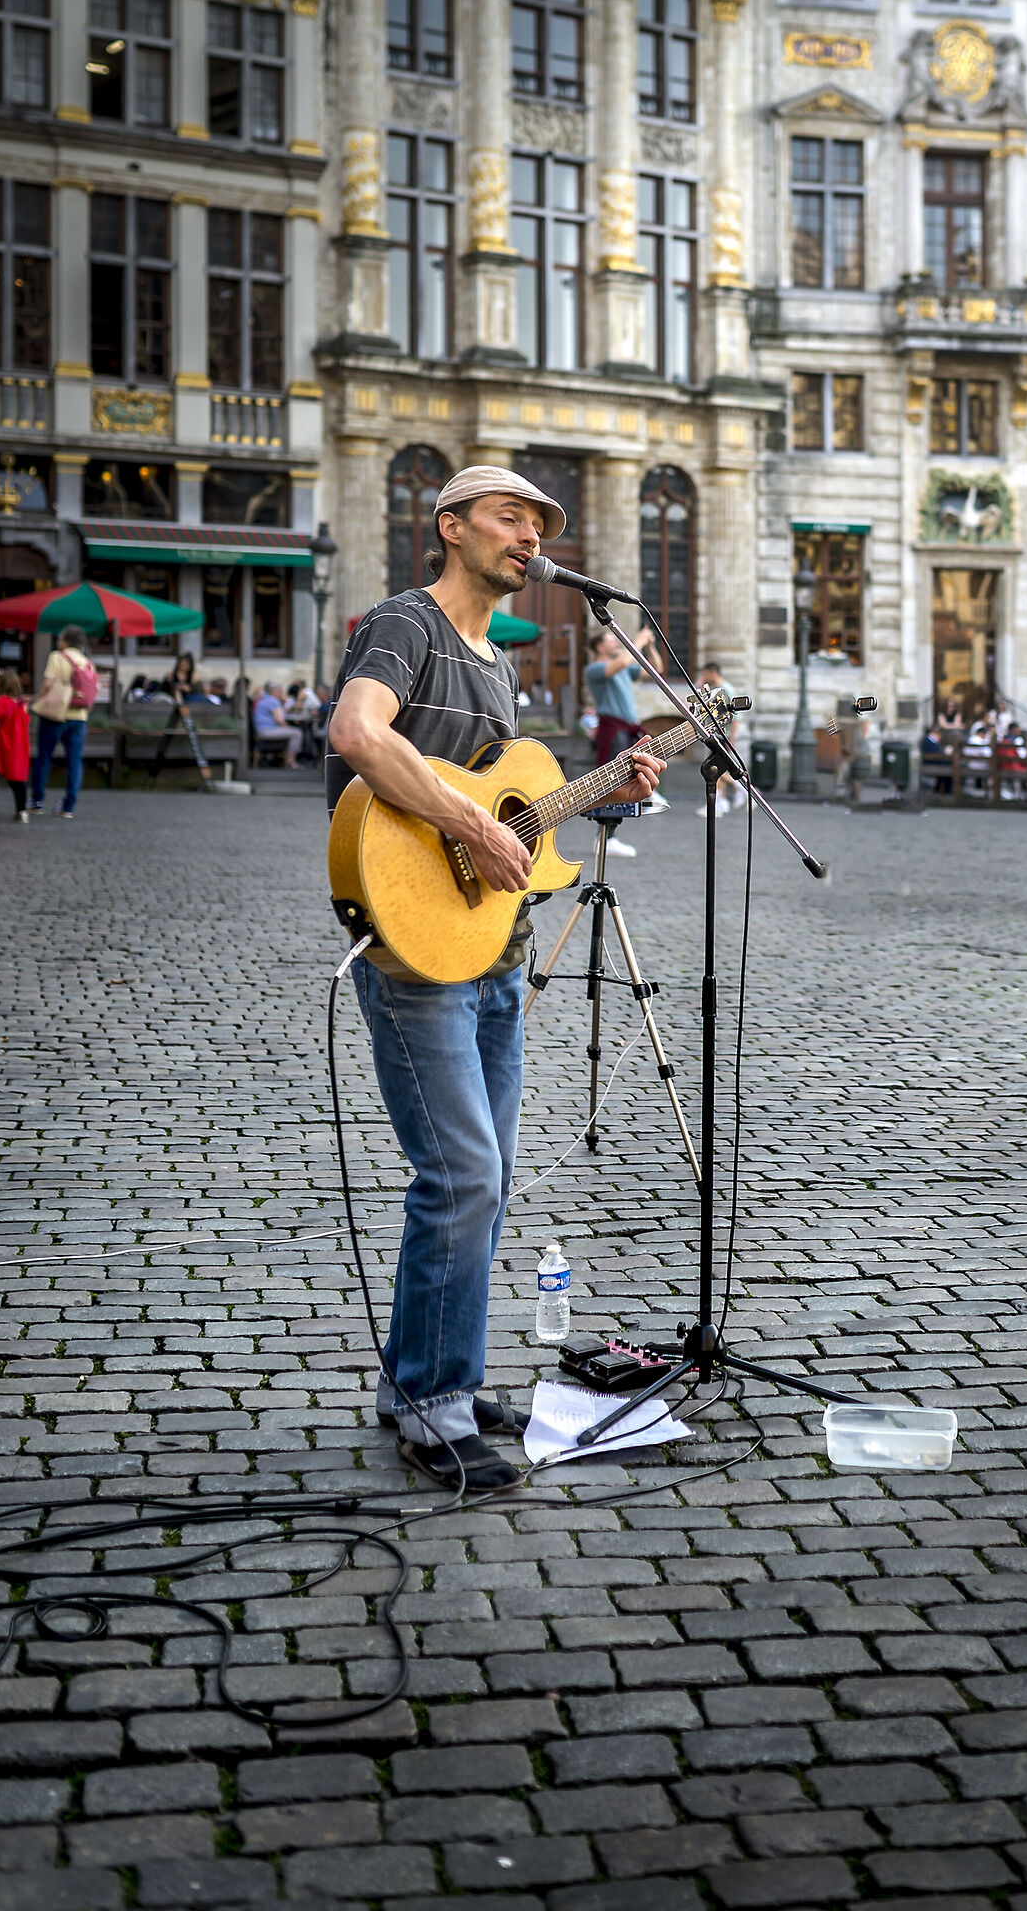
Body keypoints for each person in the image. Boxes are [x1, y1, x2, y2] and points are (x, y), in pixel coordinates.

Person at [325, 465, 659, 1491]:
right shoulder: (406, 625)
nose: (528, 537)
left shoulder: (497, 666)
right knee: (462, 1175)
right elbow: (358, 734)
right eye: (509, 518)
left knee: (482, 1180)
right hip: (413, 950)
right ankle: (435, 1408)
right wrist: (472, 822)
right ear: (451, 527)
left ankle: (430, 1384)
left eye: (538, 527)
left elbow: (517, 816)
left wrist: (611, 791)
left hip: (494, 953)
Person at [584, 622, 667, 852]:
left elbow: (655, 670)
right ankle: (605, 837)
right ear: (600, 648)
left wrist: (650, 647)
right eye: (611, 640)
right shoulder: (595, 669)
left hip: (627, 729)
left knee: (632, 774)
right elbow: (620, 663)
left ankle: (610, 836)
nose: (616, 643)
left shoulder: (622, 668)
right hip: (612, 729)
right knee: (613, 782)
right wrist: (637, 641)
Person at [29, 625, 96, 818]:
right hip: (79, 717)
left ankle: (37, 801)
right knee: (74, 761)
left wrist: (37, 699)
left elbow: (47, 684)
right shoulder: (87, 662)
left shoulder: (57, 657)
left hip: (54, 714)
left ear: (65, 641)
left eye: (60, 638)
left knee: (44, 757)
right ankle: (68, 806)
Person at [697, 659, 744, 815]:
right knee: (718, 769)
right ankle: (721, 802)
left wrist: (732, 737)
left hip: (723, 736)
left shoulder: (726, 690)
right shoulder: (714, 690)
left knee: (714, 769)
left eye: (705, 674)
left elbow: (735, 717)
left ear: (713, 673)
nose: (704, 677)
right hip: (715, 735)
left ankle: (741, 789)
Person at [0, 671, 31, 822]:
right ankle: (22, 811)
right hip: (18, 747)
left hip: (1, 746)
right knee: (17, 781)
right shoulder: (20, 704)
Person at [252, 683, 299, 767]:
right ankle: (291, 761)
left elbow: (280, 714)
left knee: (292, 731)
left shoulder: (264, 699)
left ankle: (286, 760)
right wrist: (288, 728)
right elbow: (280, 720)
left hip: (261, 731)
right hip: (267, 731)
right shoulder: (272, 701)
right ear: (274, 692)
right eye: (280, 692)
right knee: (296, 733)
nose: (282, 694)